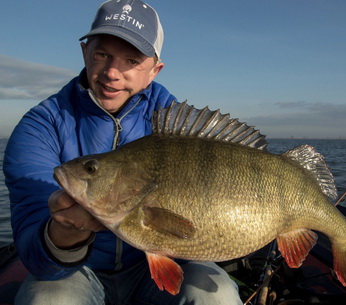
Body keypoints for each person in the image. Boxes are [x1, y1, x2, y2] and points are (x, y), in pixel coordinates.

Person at [3, 1, 243, 304]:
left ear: (154, 70)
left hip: (164, 263)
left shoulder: (179, 130)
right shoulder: (41, 127)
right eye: (102, 54)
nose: (113, 72)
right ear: (85, 52)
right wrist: (64, 234)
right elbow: (36, 252)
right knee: (49, 298)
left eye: (131, 60)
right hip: (78, 271)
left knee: (216, 295)